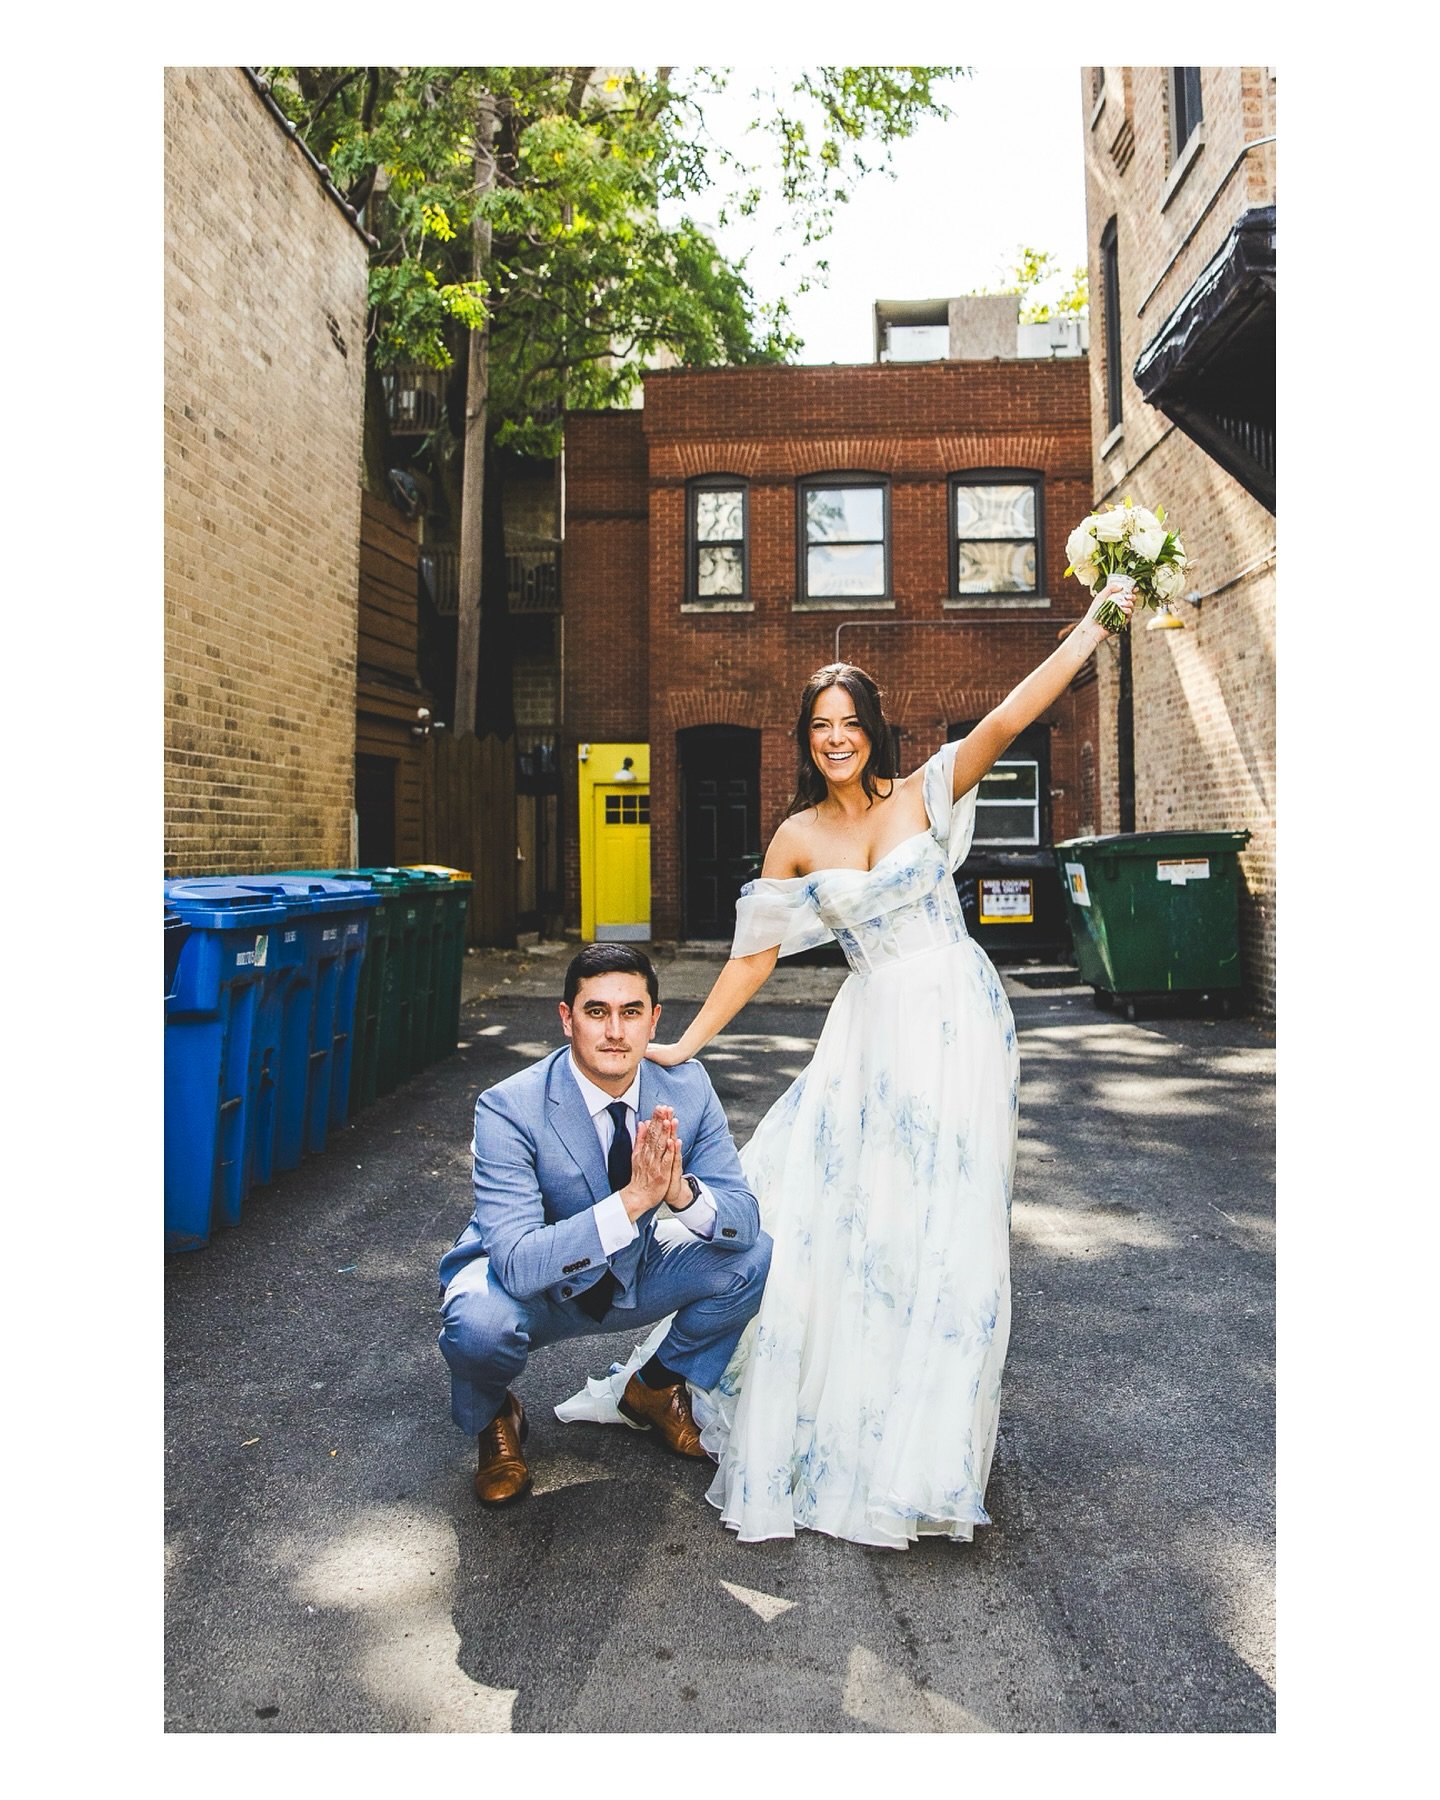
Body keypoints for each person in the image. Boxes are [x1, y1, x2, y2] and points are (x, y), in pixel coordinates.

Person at [564, 576, 1136, 1548]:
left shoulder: (926, 792)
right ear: (807, 737)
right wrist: (689, 1040)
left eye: (849, 720)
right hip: (870, 1036)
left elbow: (1013, 709)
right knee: (832, 1220)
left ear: (873, 728)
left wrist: (1097, 621)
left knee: (944, 1234)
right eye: (820, 724)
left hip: (957, 1028)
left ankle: (923, 1448)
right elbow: (755, 954)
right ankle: (707, 1390)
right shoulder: (796, 837)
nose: (835, 736)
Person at [437, 943, 770, 1507]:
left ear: (654, 1019)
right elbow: (516, 1263)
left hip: (630, 1270)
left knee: (750, 1256)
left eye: (631, 1011)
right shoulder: (508, 1106)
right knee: (477, 1325)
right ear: (567, 1018)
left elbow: (743, 1216)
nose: (615, 1030)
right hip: (532, 1285)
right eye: (596, 1012)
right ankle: (496, 1415)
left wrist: (681, 1193)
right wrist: (635, 1200)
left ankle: (655, 1388)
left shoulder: (686, 1089)